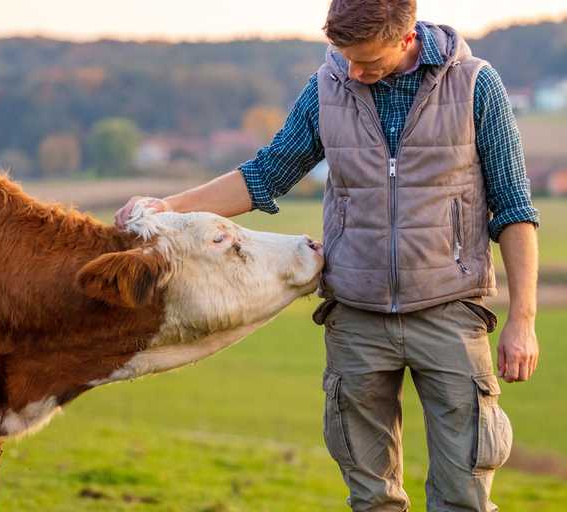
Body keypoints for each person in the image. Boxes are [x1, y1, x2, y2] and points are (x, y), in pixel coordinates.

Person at [114, 1, 540, 510]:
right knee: (371, 500)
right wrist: (169, 207)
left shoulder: (475, 86)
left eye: (367, 62)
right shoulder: (328, 85)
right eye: (343, 57)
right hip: (355, 318)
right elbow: (266, 175)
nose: (352, 72)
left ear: (407, 40)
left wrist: (523, 321)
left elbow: (514, 209)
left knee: (463, 497)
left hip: (449, 315)